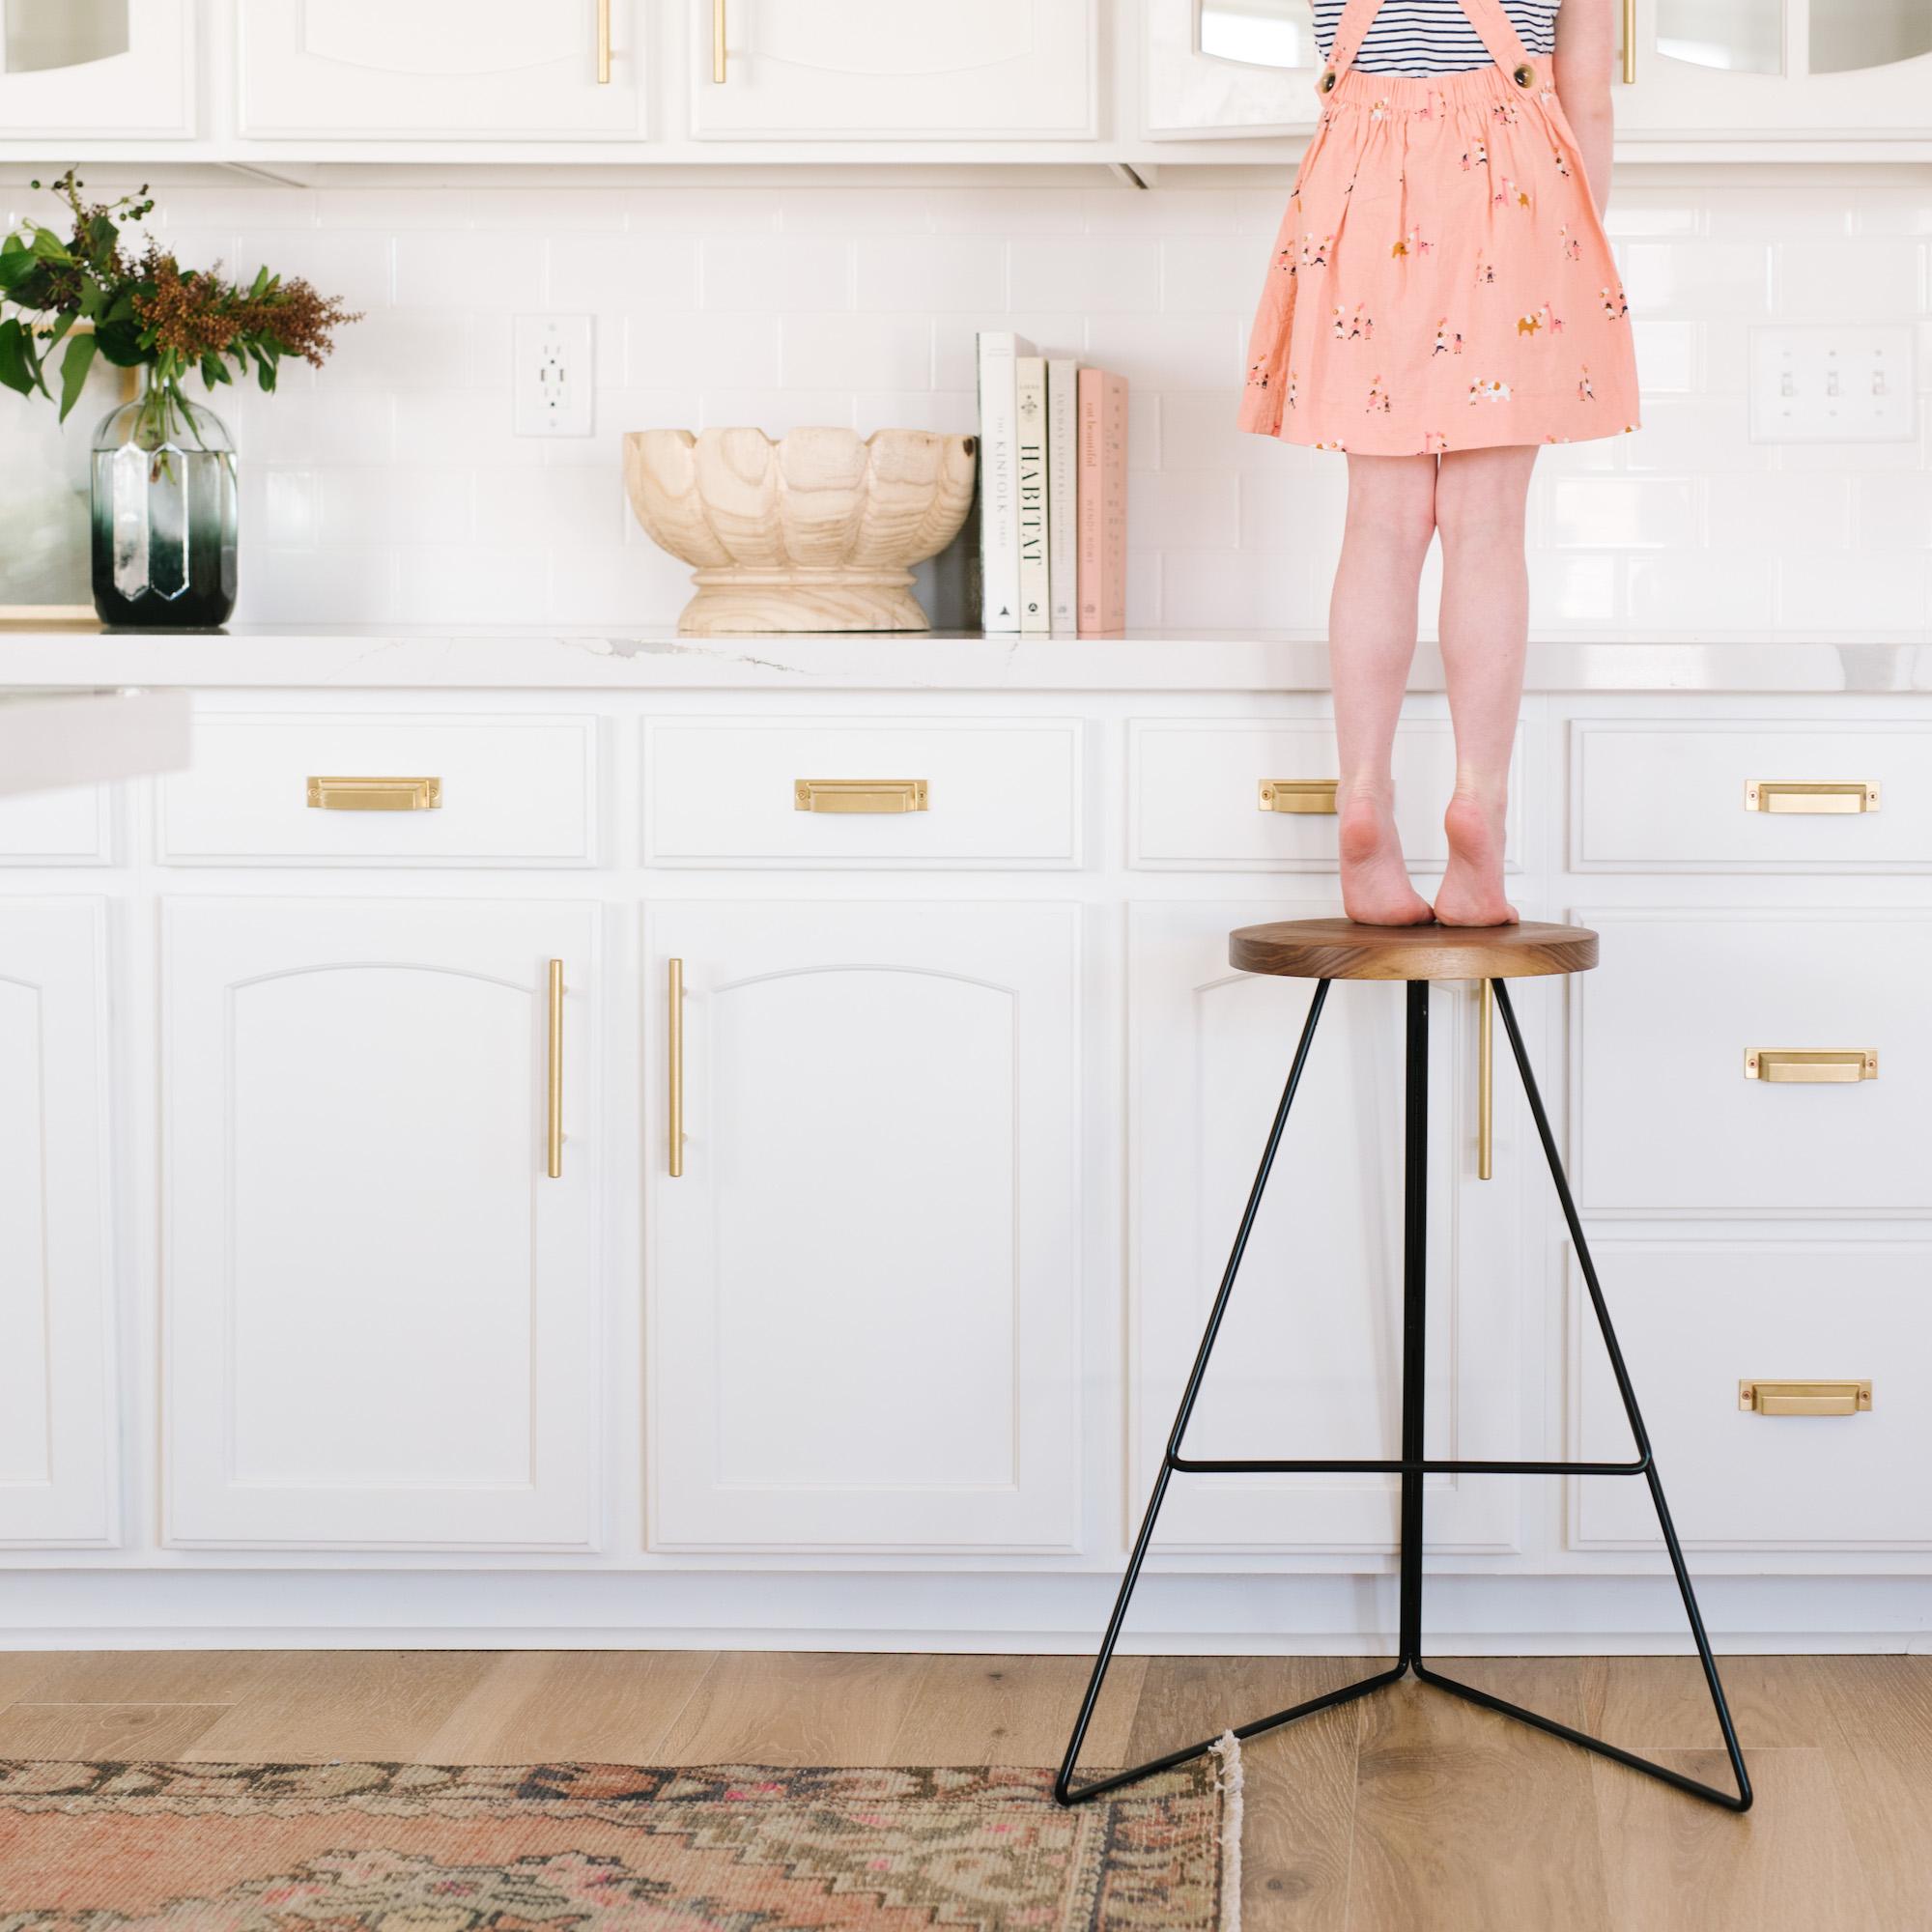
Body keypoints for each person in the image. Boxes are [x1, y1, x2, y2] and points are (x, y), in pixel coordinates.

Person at [1238, 0, 1633, 924]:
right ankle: (1478, 801)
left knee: (1378, 523)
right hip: (1514, 196)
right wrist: (1573, 258)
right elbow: (1590, 100)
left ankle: (1365, 793)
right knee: (1487, 525)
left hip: (1360, 192)